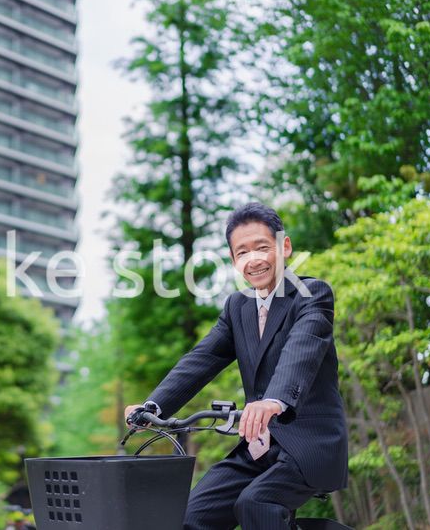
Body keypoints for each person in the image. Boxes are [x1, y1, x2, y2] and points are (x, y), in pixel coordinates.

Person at [125, 203, 348, 530]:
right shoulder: (237, 307)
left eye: (262, 247)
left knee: (255, 505)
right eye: (242, 252)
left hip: (309, 443)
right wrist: (152, 405)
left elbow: (301, 349)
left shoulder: (311, 295)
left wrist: (274, 400)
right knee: (188, 517)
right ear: (234, 261)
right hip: (259, 448)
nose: (253, 259)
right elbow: (202, 359)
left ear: (284, 246)